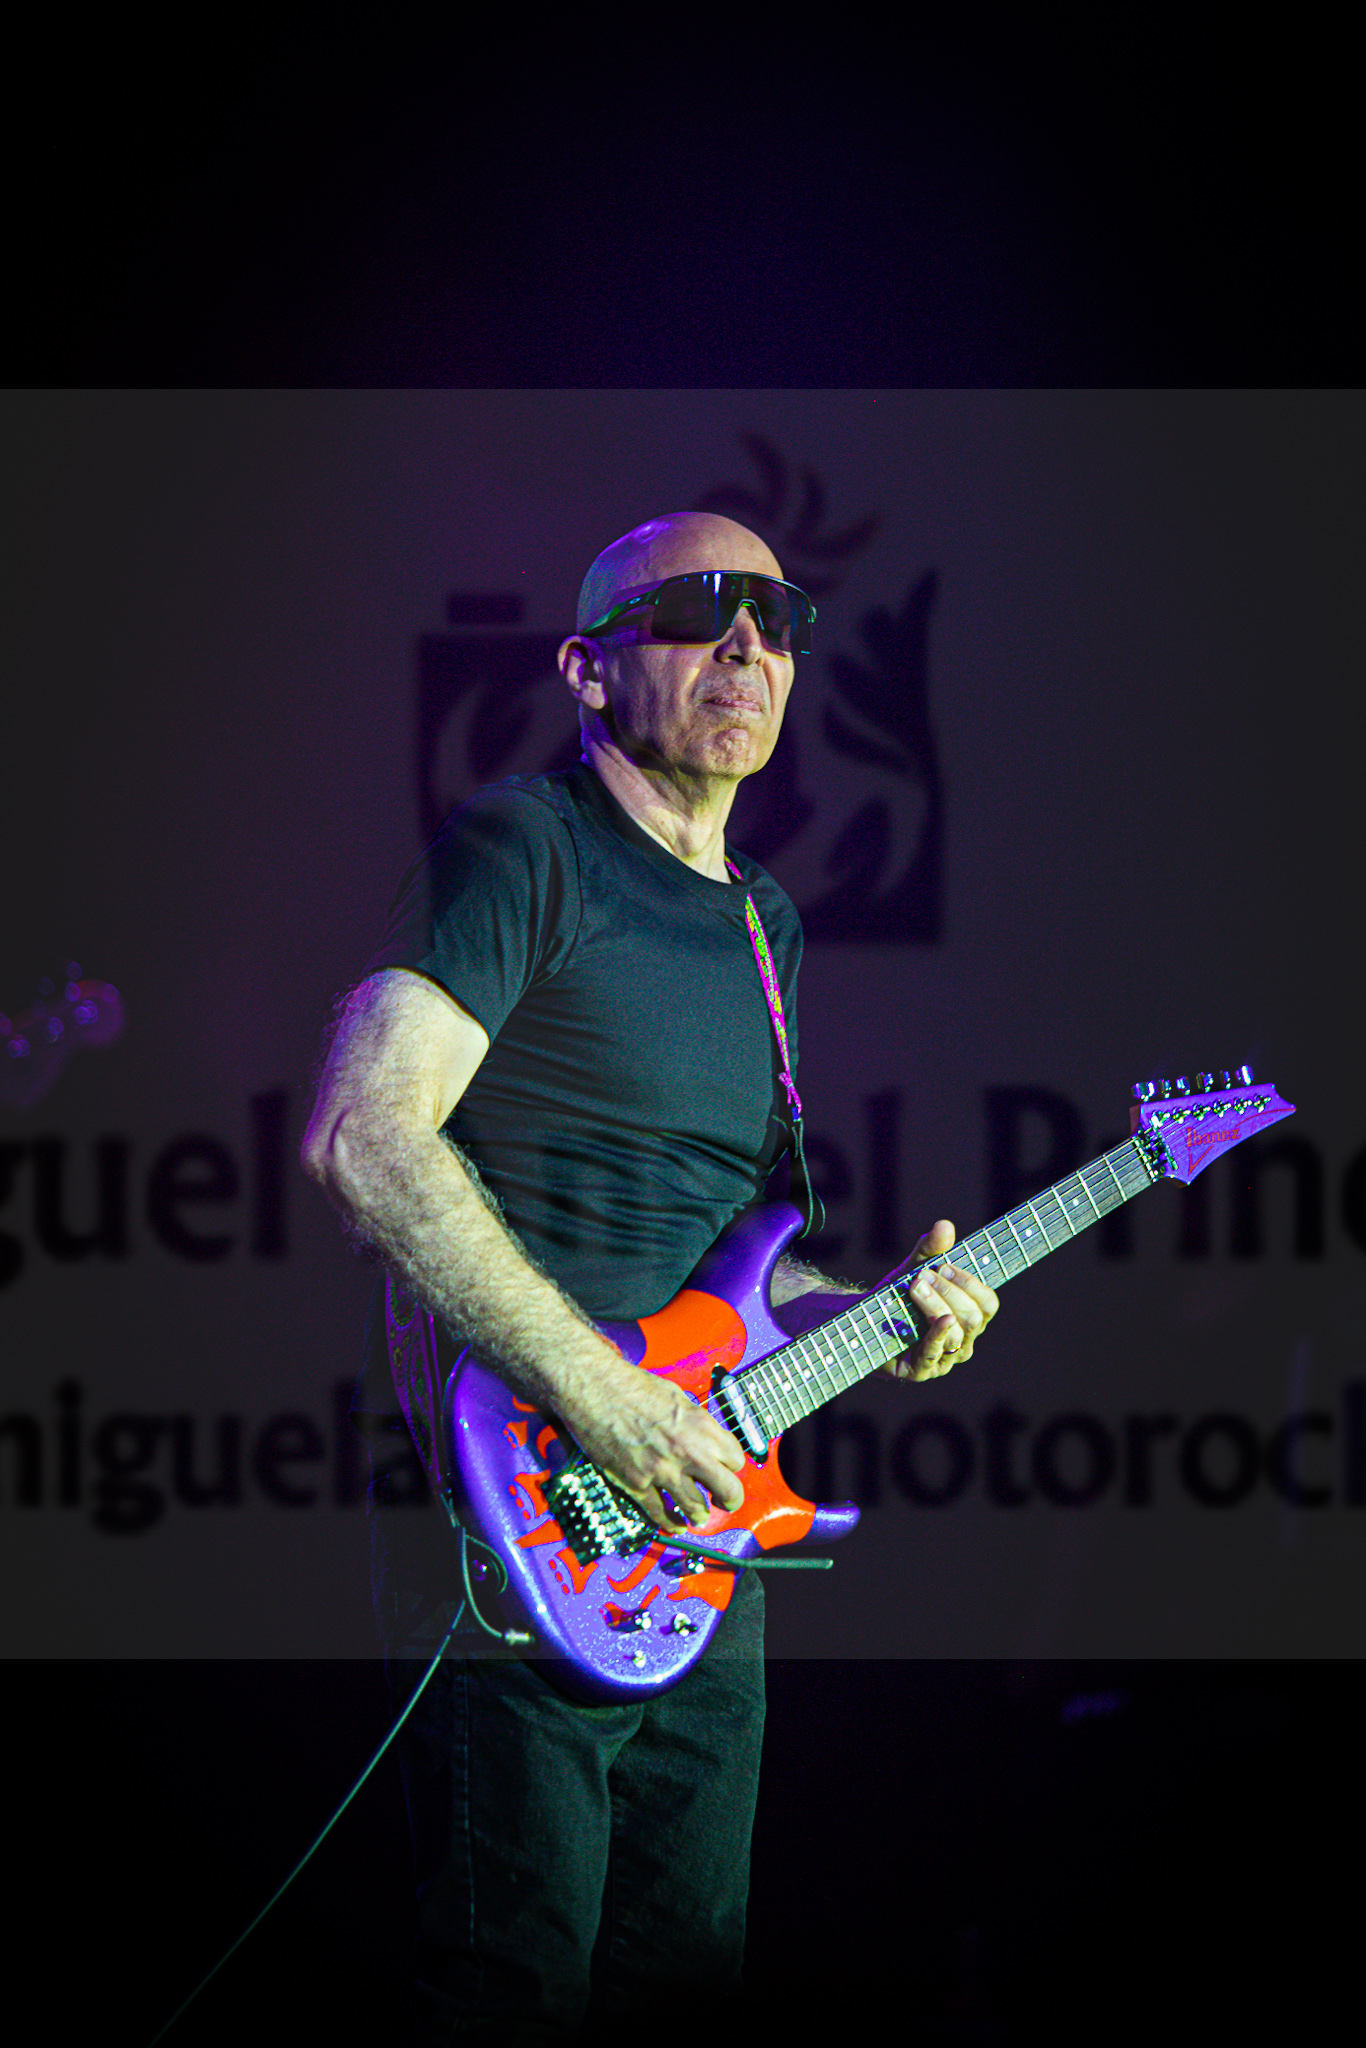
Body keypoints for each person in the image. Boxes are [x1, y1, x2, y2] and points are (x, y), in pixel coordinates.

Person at [301, 510, 998, 2040]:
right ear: (587, 670)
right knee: (513, 1982)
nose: (745, 644)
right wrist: (601, 1398)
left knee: (686, 1979)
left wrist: (879, 1315)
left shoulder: (764, 922)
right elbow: (365, 1135)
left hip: (695, 1519)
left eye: (775, 617)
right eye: (697, 612)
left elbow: (735, 1272)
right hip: (515, 1491)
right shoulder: (521, 847)